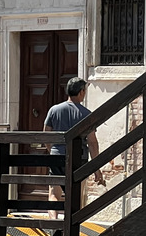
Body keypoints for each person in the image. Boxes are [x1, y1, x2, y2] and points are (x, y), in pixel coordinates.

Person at [43, 77, 105, 213]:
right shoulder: (86, 115)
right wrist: (97, 169)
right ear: (81, 92)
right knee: (75, 196)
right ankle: (71, 229)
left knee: (54, 194)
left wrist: (52, 150)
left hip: (57, 156)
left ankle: (54, 225)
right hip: (78, 159)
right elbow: (92, 143)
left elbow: (46, 135)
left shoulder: (54, 110)